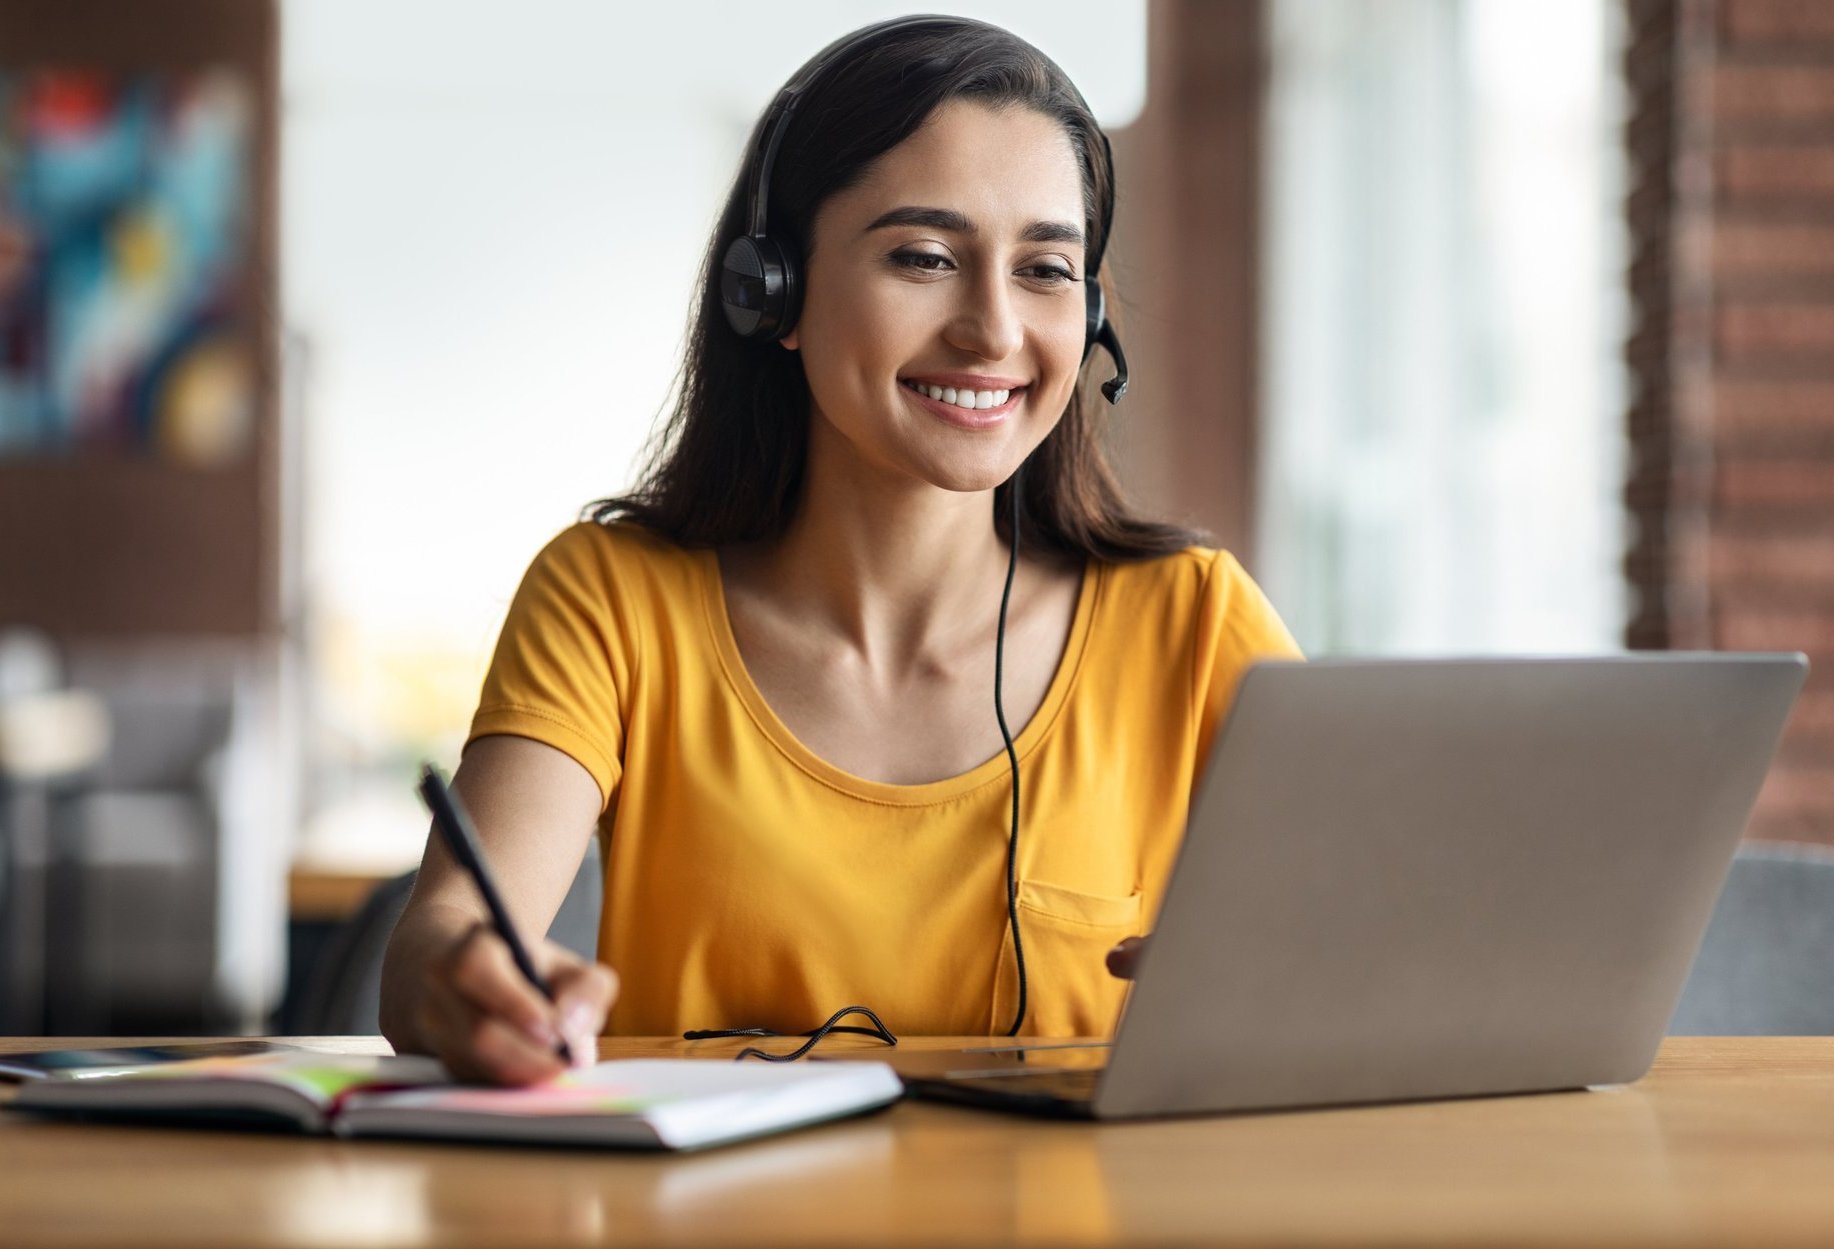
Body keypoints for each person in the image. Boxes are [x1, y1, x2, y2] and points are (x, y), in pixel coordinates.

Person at [380, 15, 1301, 1086]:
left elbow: (1375, 925)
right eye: (923, 256)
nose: (994, 329)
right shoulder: (613, 598)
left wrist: (1314, 973)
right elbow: (438, 939)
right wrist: (470, 977)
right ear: (769, 290)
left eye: (1045, 268)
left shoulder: (1190, 620)